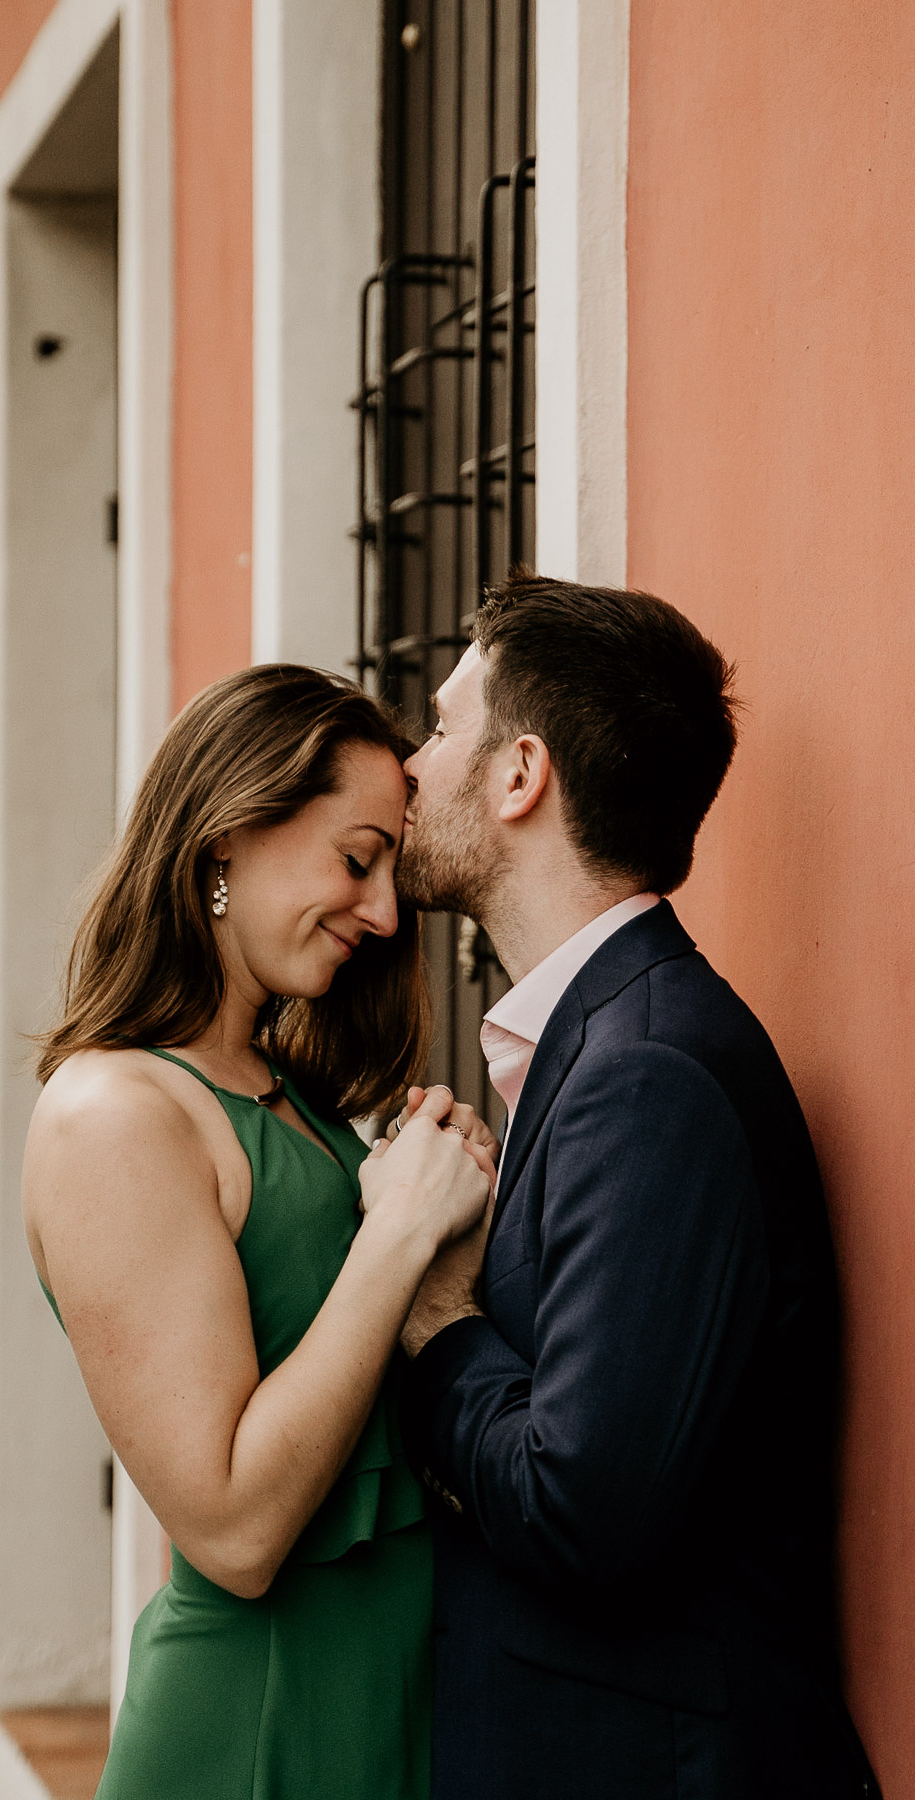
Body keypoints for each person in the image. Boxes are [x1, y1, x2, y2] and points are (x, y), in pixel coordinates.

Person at [389, 570, 881, 1799]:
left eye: (444, 727)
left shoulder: (646, 1071)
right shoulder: (609, 1044)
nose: (411, 763)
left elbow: (579, 1508)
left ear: (521, 776)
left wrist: (439, 1318)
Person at [22, 664, 495, 1800]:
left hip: (393, 1701)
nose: (386, 914)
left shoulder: (280, 1089)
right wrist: (396, 1235)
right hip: (259, 1725)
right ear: (229, 835)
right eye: (356, 858)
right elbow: (232, 1527)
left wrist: (446, 1247)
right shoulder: (115, 1116)